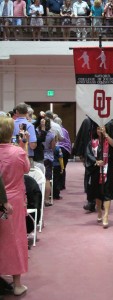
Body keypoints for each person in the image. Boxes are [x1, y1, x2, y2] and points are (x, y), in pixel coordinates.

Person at [0, 116, 30, 296]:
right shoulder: (18, 152)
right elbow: (26, 169)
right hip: (14, 202)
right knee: (15, 240)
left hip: (2, 199)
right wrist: (23, 146)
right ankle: (17, 283)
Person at [85, 125, 113, 228]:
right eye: (98, 128)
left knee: (107, 192)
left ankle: (106, 216)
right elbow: (88, 154)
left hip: (107, 170)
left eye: (102, 127)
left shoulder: (108, 141)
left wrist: (106, 135)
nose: (100, 129)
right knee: (98, 193)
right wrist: (95, 161)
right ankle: (99, 211)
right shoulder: (92, 142)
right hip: (96, 170)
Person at [13, 103, 37, 168]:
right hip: (26, 156)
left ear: (17, 112)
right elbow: (33, 146)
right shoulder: (30, 126)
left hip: (12, 156)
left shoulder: (10, 125)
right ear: (27, 112)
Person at [54, 117, 72, 190]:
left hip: (58, 148)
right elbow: (68, 141)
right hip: (66, 150)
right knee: (63, 167)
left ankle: (58, 185)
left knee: (58, 167)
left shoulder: (55, 129)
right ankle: (62, 185)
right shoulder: (65, 130)